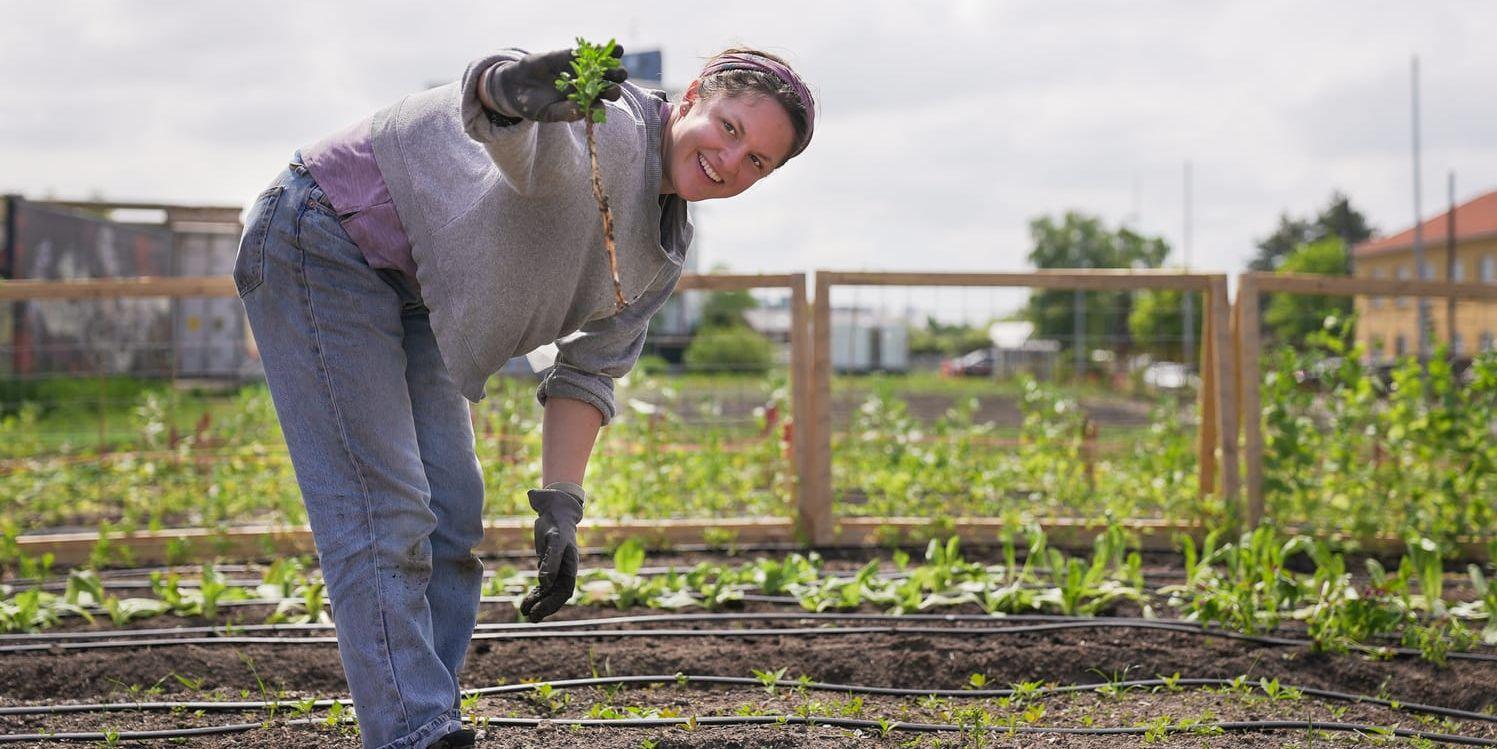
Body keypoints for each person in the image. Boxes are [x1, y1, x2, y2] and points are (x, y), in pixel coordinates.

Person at [232, 42, 814, 749]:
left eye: (756, 161)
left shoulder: (659, 250)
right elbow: (508, 121)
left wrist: (560, 509)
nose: (731, 161)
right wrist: (512, 88)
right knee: (381, 508)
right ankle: (412, 731)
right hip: (322, 234)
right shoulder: (606, 125)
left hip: (416, 289)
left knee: (451, 515)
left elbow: (587, 372)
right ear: (690, 97)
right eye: (729, 128)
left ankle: (428, 714)